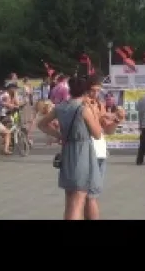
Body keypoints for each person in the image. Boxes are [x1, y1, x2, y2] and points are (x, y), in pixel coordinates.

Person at [38, 77, 106, 220]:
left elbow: (41, 124)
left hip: (67, 151)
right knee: (78, 200)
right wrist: (94, 112)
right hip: (82, 153)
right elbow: (98, 134)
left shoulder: (60, 107)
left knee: (70, 200)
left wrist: (59, 135)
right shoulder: (83, 109)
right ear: (85, 91)